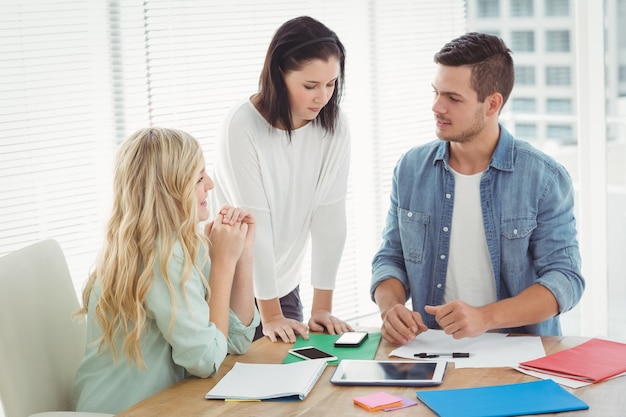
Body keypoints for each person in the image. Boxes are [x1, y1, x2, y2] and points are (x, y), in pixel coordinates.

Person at [371, 32, 585, 345]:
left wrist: (485, 317)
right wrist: (390, 308)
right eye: (436, 93)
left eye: (453, 99)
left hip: (519, 357)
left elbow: (565, 279)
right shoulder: (411, 168)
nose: (437, 107)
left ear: (492, 104)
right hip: (431, 351)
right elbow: (391, 258)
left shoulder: (544, 178)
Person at [73, 127, 259, 414]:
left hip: (161, 405)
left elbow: (235, 340)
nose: (209, 184)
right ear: (167, 193)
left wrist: (241, 255)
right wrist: (222, 264)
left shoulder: (183, 245)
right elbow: (206, 359)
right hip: (124, 411)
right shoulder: (161, 256)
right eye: (198, 178)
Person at [211, 16, 353, 343]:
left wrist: (322, 308)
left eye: (331, 84)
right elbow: (254, 224)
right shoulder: (242, 126)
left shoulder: (335, 126)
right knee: (237, 387)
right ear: (279, 75)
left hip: (283, 285)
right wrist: (271, 314)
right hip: (233, 286)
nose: (323, 97)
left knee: (293, 382)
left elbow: (330, 218)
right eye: (310, 86)